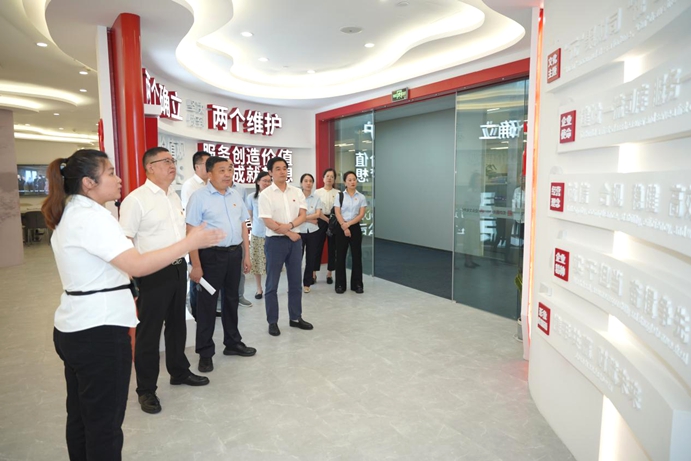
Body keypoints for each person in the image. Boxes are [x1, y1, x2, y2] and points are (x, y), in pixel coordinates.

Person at [41, 149, 222, 460]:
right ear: (88, 182)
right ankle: (147, 389)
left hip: (79, 325)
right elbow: (135, 264)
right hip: (98, 330)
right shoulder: (93, 217)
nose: (118, 178)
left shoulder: (75, 211)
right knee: (104, 425)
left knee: (83, 415)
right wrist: (190, 243)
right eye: (110, 172)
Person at [119, 147, 209, 416]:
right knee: (149, 332)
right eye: (166, 161)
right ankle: (146, 389)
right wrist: (131, 278)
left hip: (177, 268)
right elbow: (125, 240)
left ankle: (179, 371)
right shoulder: (136, 200)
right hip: (152, 272)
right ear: (150, 167)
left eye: (173, 160)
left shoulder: (173, 196)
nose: (172, 165)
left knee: (177, 325)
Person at [186, 156, 256, 373]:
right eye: (222, 170)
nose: (227, 174)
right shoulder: (199, 197)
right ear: (209, 173)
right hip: (211, 257)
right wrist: (196, 265)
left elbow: (243, 225)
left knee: (231, 299)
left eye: (230, 169)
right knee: (207, 305)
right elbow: (191, 233)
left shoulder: (235, 195)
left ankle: (232, 343)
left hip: (234, 254)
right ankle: (205, 353)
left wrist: (246, 255)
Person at [258, 157, 314, 336]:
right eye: (278, 168)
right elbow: (268, 221)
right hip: (275, 242)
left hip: (295, 242)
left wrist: (289, 226)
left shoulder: (296, 192)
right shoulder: (266, 194)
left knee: (296, 282)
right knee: (272, 284)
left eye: (284, 168)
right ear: (270, 172)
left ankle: (295, 317)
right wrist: (289, 232)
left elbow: (302, 215)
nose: (282, 171)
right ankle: (272, 321)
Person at [180, 151, 211, 319]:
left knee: (209, 277)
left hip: (210, 240)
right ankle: (197, 310)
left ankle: (207, 310)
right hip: (197, 239)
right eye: (207, 164)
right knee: (197, 276)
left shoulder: (210, 184)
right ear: (197, 167)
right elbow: (192, 216)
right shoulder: (190, 185)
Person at [333, 171, 367, 294]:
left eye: (354, 179)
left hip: (355, 227)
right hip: (341, 227)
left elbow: (361, 214)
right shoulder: (340, 196)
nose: (352, 182)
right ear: (345, 182)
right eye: (350, 180)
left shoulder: (361, 197)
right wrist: (344, 225)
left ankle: (357, 284)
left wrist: (349, 224)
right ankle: (340, 285)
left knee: (356, 256)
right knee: (340, 256)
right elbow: (337, 212)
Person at [245, 171, 271, 299]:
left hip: (272, 234)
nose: (267, 183)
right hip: (257, 233)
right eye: (264, 180)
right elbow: (250, 216)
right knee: (257, 263)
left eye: (269, 181)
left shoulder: (273, 197)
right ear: (258, 182)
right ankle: (259, 289)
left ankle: (270, 288)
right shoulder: (251, 197)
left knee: (271, 264)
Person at [298, 173, 324, 293]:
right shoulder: (296, 197)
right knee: (297, 259)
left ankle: (307, 283)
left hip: (313, 232)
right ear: (301, 183)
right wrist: (310, 219)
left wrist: (304, 218)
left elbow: (318, 214)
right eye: (306, 181)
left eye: (310, 181)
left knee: (311, 258)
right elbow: (295, 215)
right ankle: (295, 283)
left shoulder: (316, 198)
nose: (308, 183)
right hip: (299, 231)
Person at [314, 168, 338, 284]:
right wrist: (325, 219)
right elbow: (315, 209)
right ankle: (313, 273)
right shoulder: (317, 192)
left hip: (334, 221)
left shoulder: (338, 193)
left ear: (334, 179)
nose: (329, 178)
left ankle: (329, 273)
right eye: (327, 176)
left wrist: (332, 220)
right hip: (321, 220)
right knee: (316, 246)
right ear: (323, 178)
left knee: (332, 247)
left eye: (332, 177)